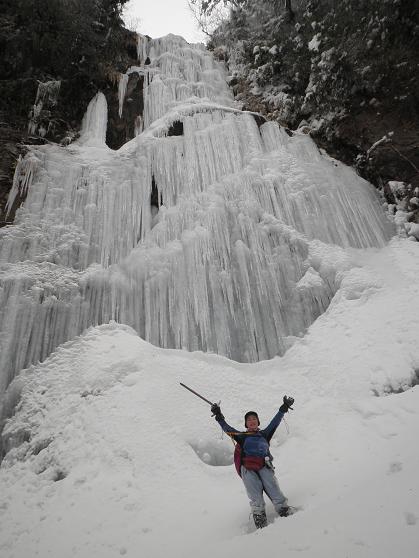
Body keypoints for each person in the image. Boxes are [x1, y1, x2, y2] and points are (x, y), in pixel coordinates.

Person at [210, 395, 294, 529]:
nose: (252, 420)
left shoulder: (265, 434)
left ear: (258, 422)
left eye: (254, 419)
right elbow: (228, 429)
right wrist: (219, 415)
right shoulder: (242, 437)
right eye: (249, 419)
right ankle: (260, 519)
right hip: (248, 469)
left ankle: (284, 510)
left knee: (273, 488)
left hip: (264, 465)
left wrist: (283, 408)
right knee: (255, 494)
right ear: (246, 424)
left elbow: (275, 422)